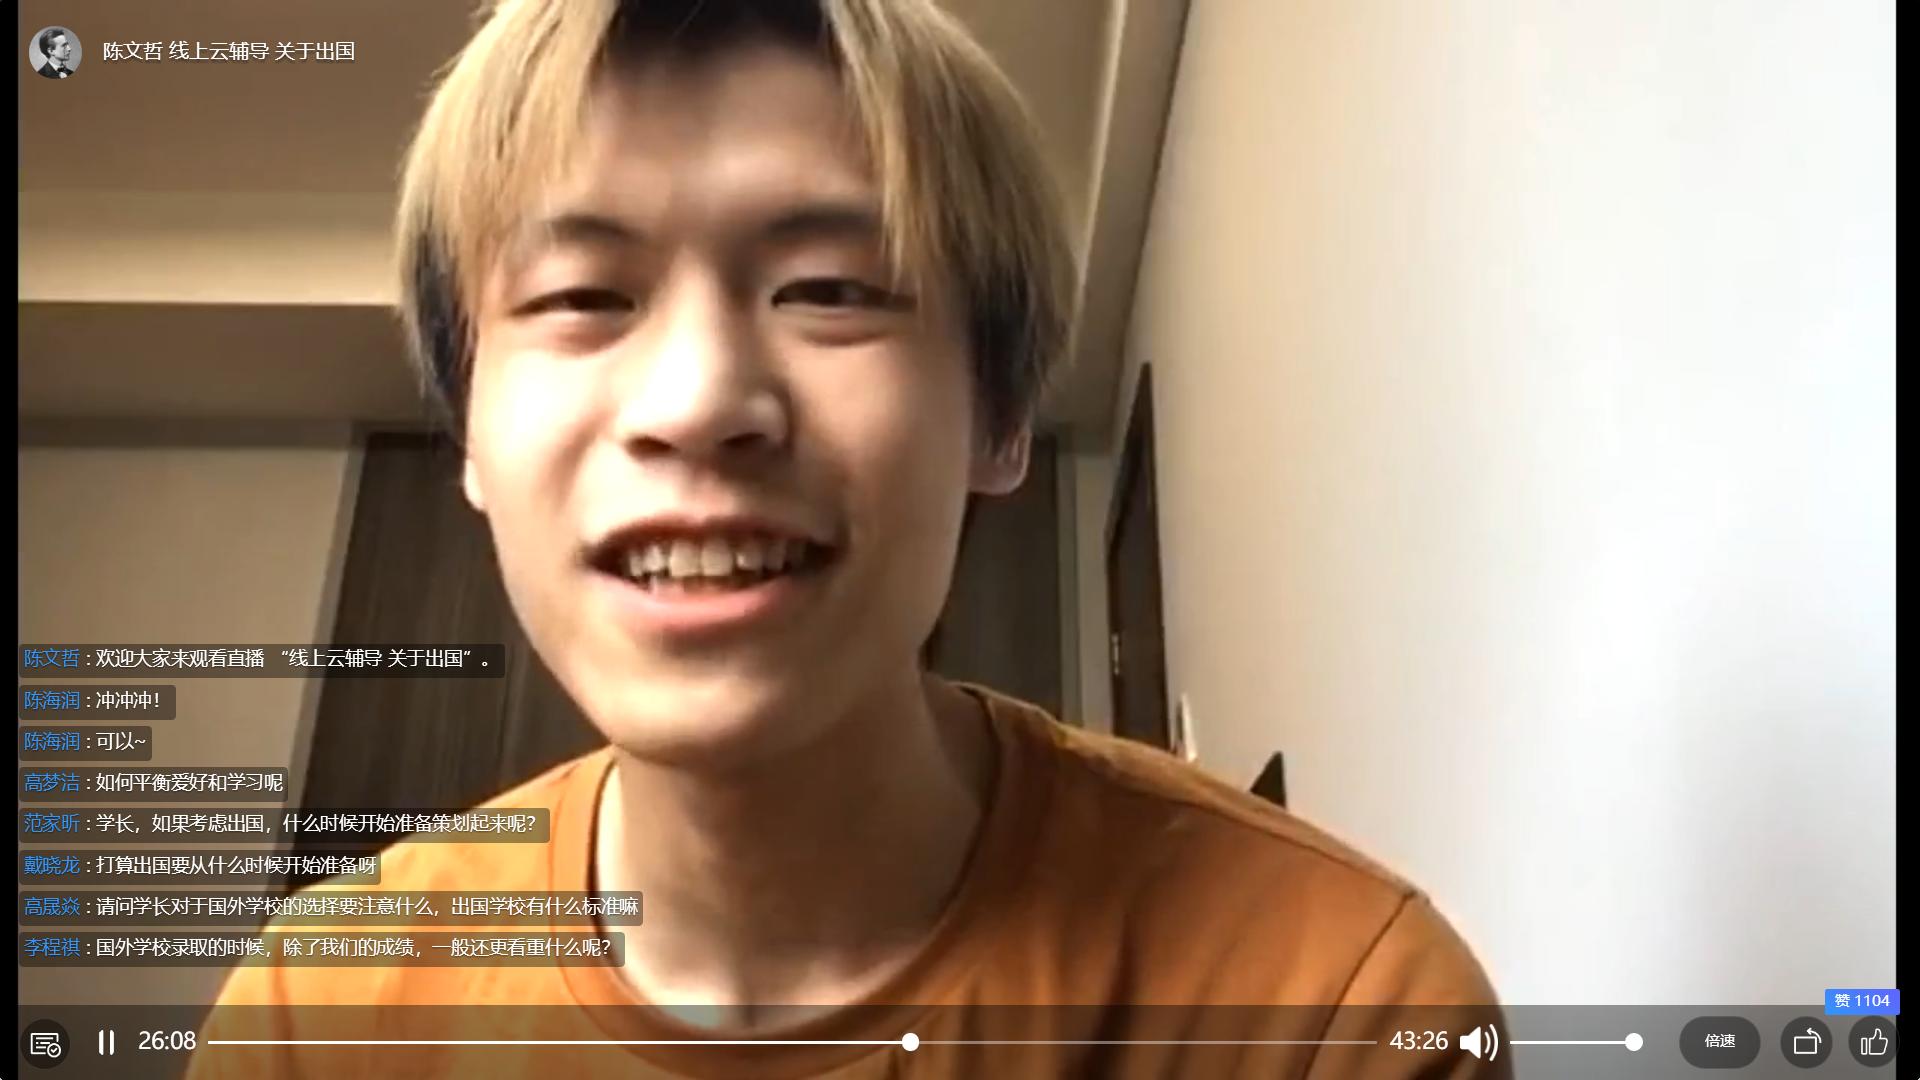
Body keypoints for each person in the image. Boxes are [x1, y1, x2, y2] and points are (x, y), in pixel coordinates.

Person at [191, 1, 1507, 1076]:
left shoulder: (1331, 1007)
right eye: (583, 294)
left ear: (1000, 418)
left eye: (829, 289)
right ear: (471, 440)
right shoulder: (321, 1015)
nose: (698, 400)